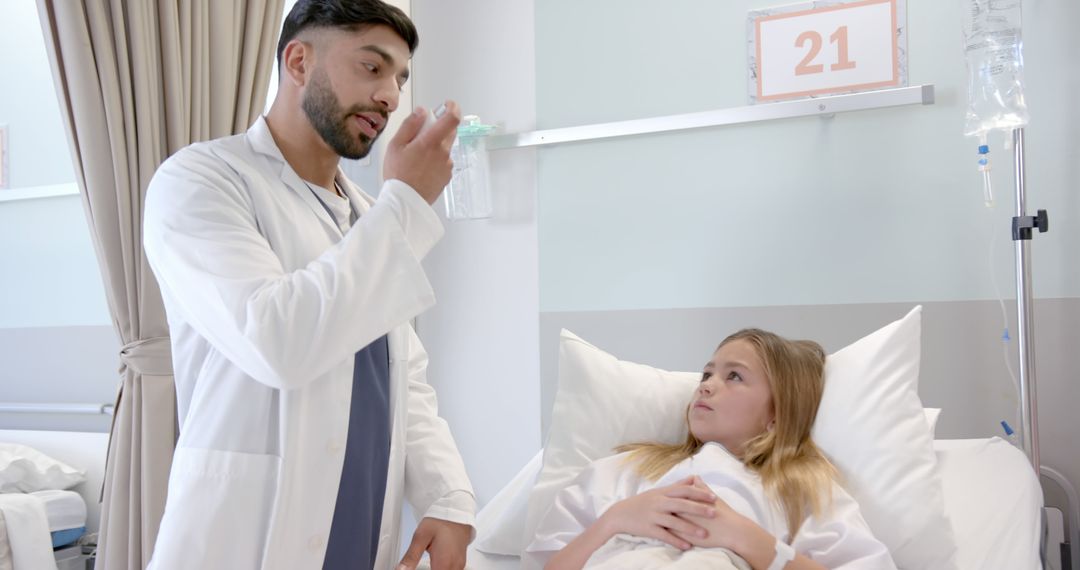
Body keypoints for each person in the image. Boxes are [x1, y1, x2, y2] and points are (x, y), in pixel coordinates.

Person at [142, 1, 475, 568]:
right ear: (298, 61)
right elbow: (276, 342)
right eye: (373, 67)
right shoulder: (201, 181)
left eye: (399, 78)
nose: (391, 97)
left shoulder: (370, 217)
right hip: (245, 537)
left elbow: (404, 381)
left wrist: (448, 497)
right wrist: (406, 205)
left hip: (360, 531)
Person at [524, 329, 897, 570]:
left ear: (777, 414)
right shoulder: (624, 471)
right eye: (706, 374)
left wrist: (748, 539)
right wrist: (616, 520)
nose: (706, 386)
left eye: (733, 376)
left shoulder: (800, 492)